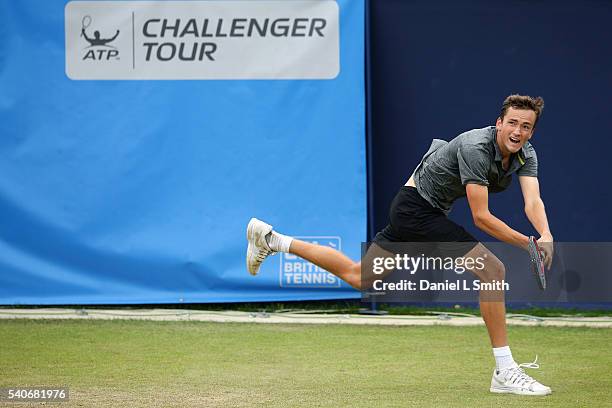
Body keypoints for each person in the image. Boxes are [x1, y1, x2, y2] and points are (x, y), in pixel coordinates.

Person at [246, 94, 554, 396]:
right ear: (499, 123)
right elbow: (481, 218)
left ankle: (273, 240)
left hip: (420, 209)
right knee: (492, 270)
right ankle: (504, 370)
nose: (518, 131)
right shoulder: (476, 147)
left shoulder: (526, 153)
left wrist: (546, 234)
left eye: (526, 126)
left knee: (360, 276)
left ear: (531, 131)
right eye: (512, 123)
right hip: (416, 210)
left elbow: (533, 200)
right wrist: (528, 244)